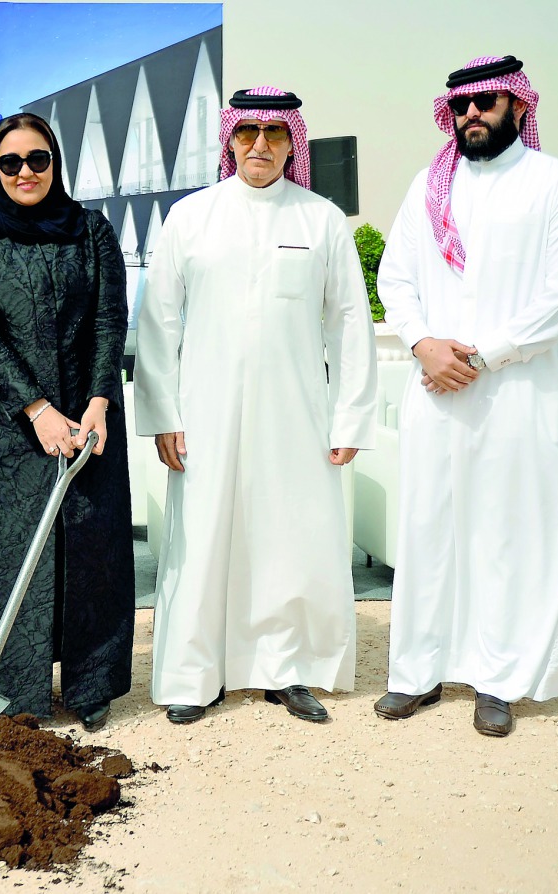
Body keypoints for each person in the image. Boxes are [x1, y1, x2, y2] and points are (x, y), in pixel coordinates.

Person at [134, 86, 378, 724]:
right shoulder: (191, 216)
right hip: (204, 412)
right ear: (229, 140)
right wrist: (163, 415)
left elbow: (351, 324)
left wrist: (350, 416)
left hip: (297, 412)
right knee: (203, 538)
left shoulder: (321, 218)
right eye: (248, 133)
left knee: (286, 537)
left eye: (275, 133)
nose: (261, 145)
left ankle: (286, 669)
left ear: (292, 140)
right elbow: (159, 324)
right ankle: (195, 676)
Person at [373, 55, 558, 737]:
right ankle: (417, 674)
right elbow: (397, 276)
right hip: (434, 386)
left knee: (505, 530)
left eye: (487, 103)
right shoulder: (428, 186)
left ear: (520, 108)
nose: (472, 115)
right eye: (462, 105)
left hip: (516, 391)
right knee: (429, 529)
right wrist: (422, 344)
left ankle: (497, 679)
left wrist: (484, 354)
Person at [0, 112, 134, 731]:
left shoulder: (91, 231)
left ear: (56, 162)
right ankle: (9, 691)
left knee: (89, 549)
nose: (26, 172)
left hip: (87, 413)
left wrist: (98, 404)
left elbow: (110, 321)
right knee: (6, 555)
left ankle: (90, 685)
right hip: (5, 426)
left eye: (38, 159)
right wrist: (36, 409)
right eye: (10, 162)